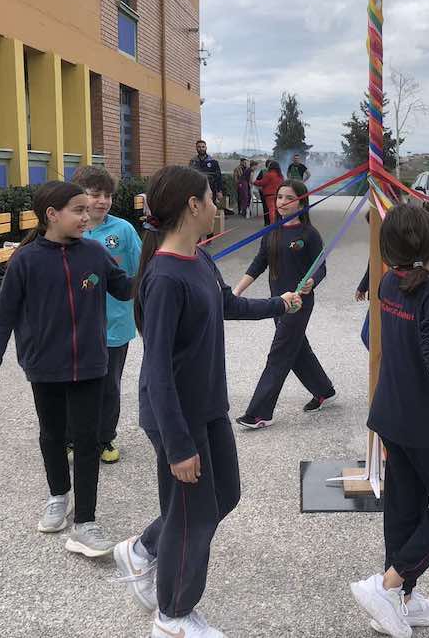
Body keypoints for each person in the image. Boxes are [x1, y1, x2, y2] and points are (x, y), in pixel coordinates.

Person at [113, 165, 299, 638]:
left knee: (224, 496)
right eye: (212, 197)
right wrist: (178, 445)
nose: (218, 204)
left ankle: (143, 549)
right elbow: (157, 370)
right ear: (193, 205)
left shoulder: (198, 258)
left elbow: (227, 304)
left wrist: (280, 304)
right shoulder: (163, 278)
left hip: (208, 405)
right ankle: (173, 616)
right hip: (176, 416)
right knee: (194, 517)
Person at [0, 180, 132, 559]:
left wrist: (157, 268)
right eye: (78, 210)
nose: (87, 216)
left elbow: (124, 288)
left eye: (87, 210)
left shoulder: (94, 253)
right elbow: (1, 319)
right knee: (52, 435)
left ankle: (85, 524)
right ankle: (58, 496)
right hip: (44, 366)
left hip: (91, 364)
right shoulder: (26, 260)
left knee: (88, 440)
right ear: (51, 215)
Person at [349, 204, 429, 638]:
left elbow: (408, 287)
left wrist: (425, 267)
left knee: (405, 506)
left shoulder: (387, 281)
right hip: (424, 422)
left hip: (390, 412)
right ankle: (389, 584)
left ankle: (401, 597)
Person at [233, 179, 336, 429]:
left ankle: (259, 413)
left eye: (289, 198)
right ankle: (324, 390)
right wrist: (235, 292)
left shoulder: (309, 234)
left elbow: (321, 267)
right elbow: (258, 265)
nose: (282, 202)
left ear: (301, 202)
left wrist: (312, 280)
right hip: (278, 304)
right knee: (297, 349)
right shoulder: (272, 232)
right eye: (279, 197)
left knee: (279, 353)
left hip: (299, 303)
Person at [75, 165, 142, 464]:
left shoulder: (123, 230)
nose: (102, 201)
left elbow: (142, 270)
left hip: (115, 325)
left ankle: (104, 438)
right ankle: (73, 438)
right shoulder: (70, 229)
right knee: (74, 384)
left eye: (108, 195)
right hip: (75, 325)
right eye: (95, 194)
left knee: (108, 385)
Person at [189, 139, 229, 215]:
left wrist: (219, 191)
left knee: (210, 208)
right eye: (199, 147)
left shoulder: (213, 162)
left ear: (206, 148)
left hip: (210, 189)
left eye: (203, 147)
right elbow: (190, 177)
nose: (201, 148)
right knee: (198, 208)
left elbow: (218, 177)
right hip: (197, 190)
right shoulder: (193, 162)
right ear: (196, 148)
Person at [254, 160, 284, 225]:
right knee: (278, 210)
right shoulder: (280, 175)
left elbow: (262, 183)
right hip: (279, 194)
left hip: (269, 195)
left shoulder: (269, 174)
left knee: (271, 210)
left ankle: (273, 225)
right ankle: (279, 224)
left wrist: (254, 182)